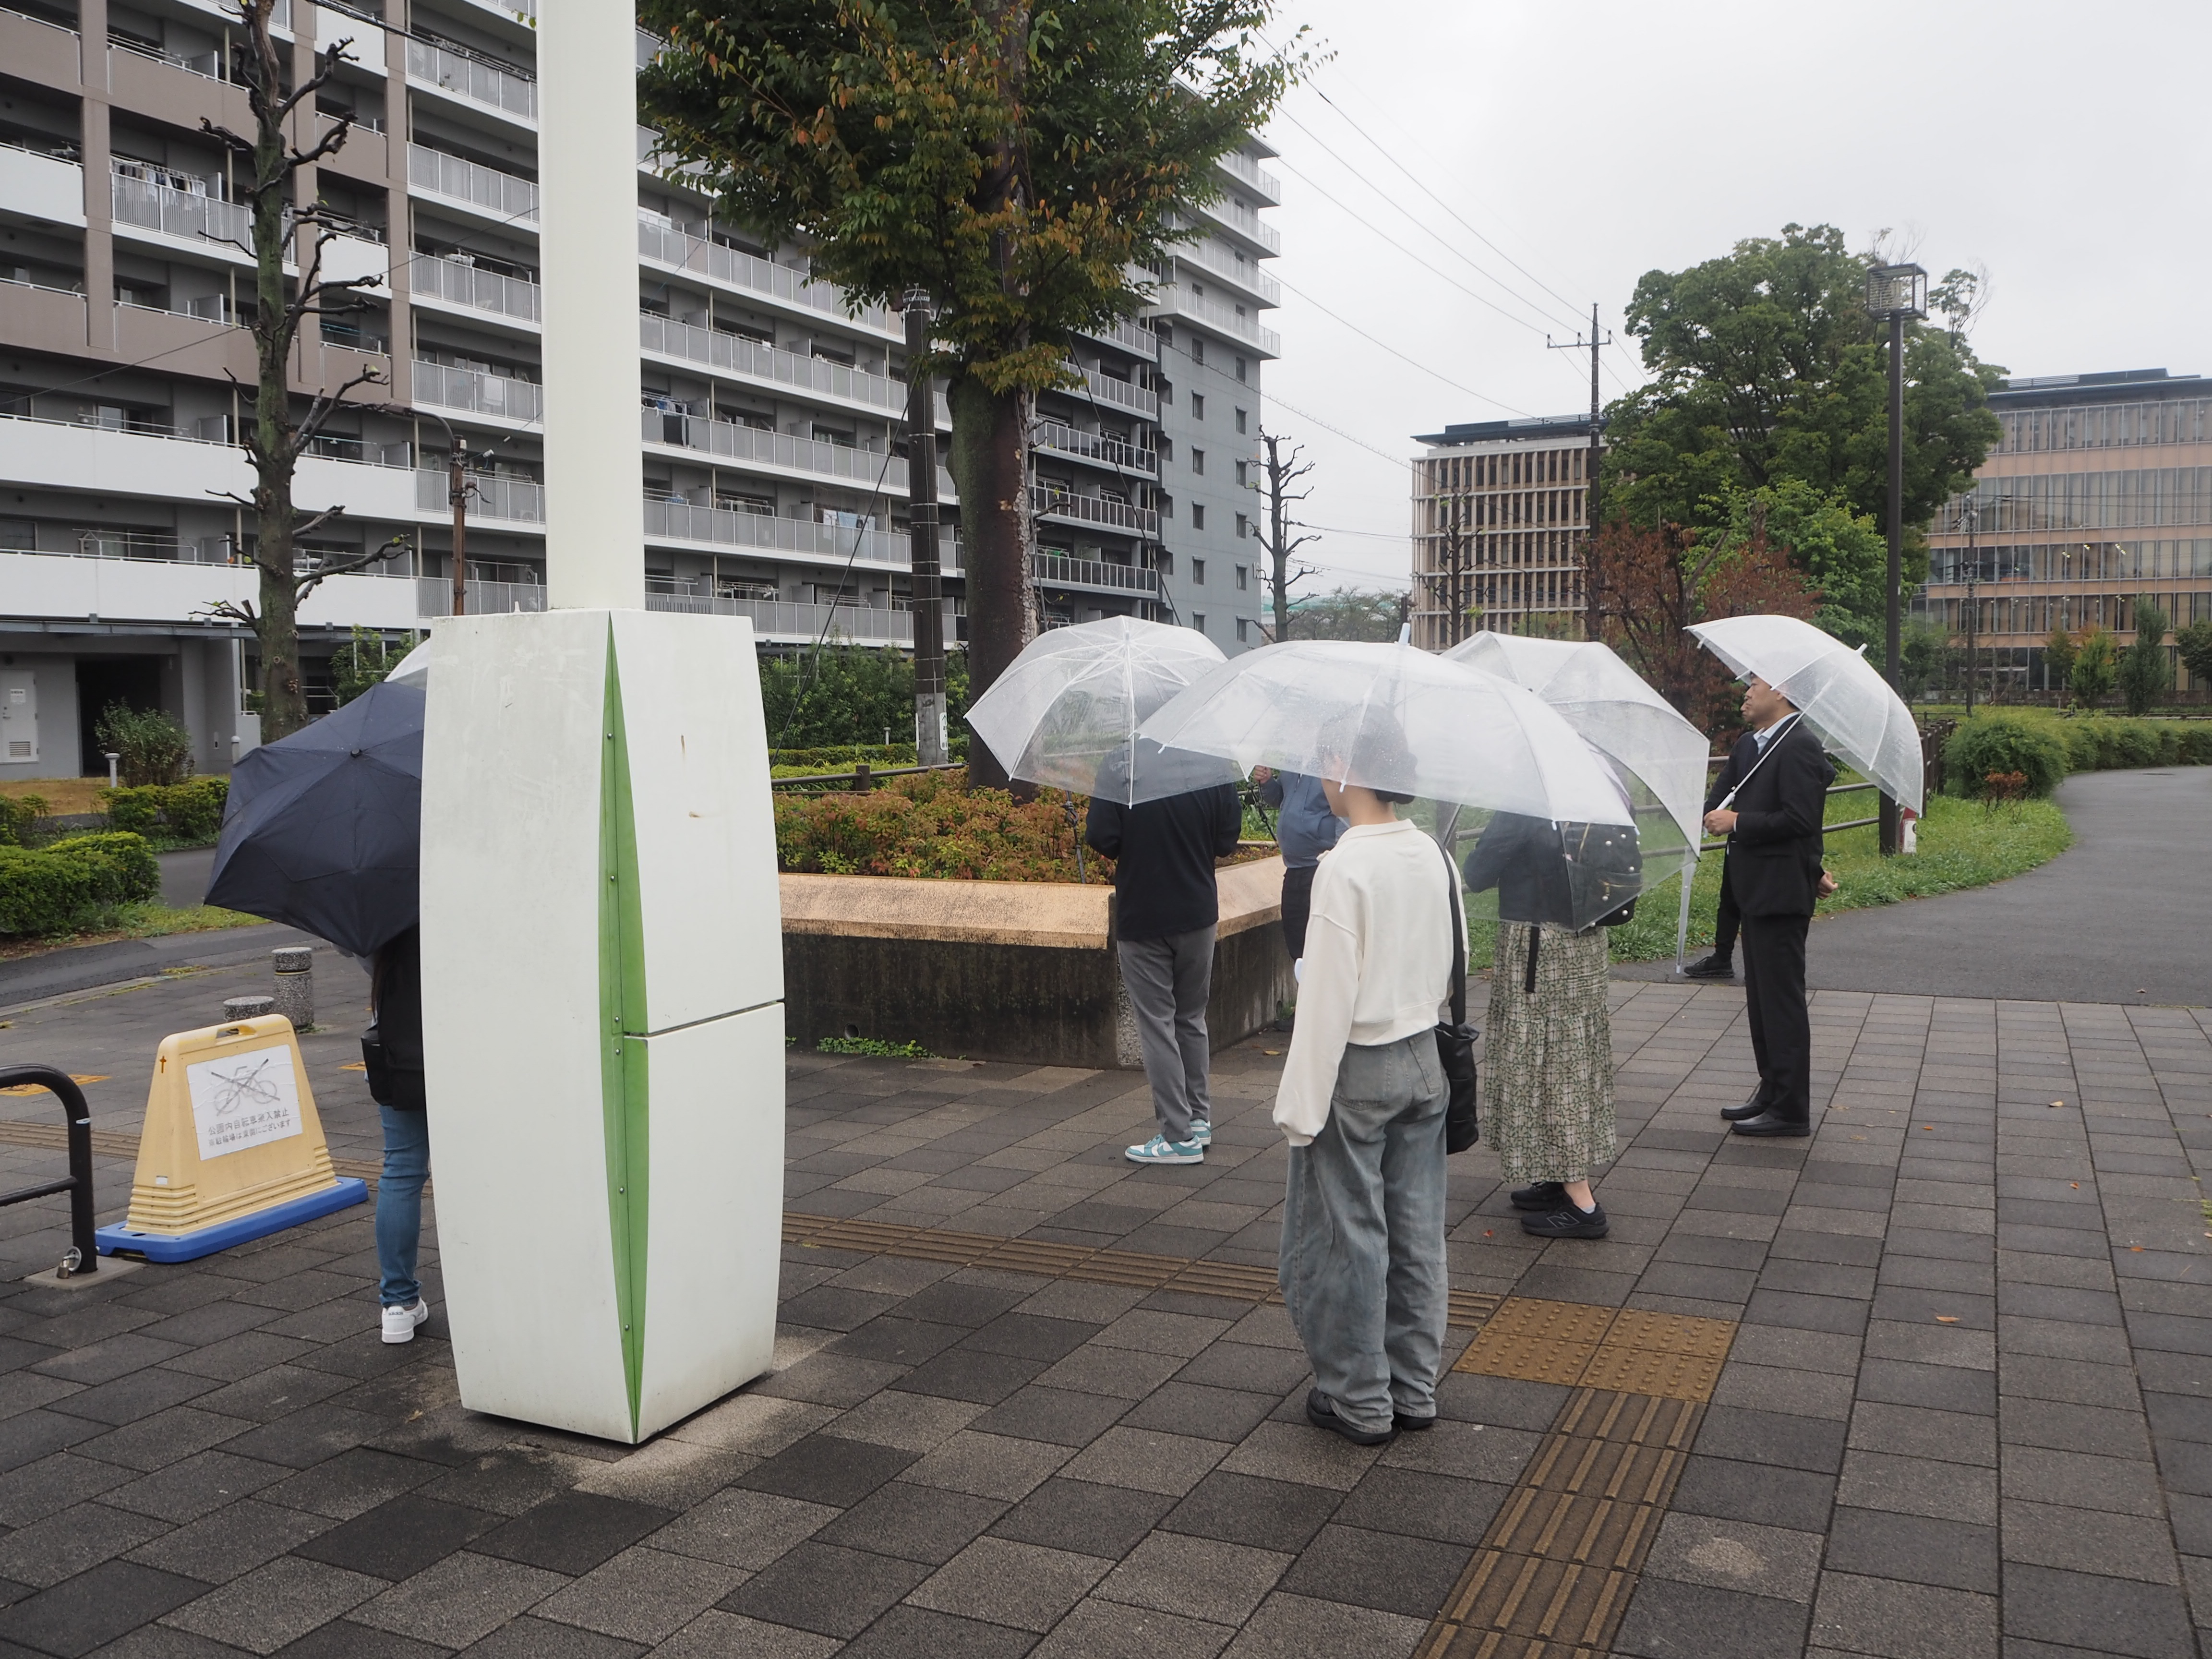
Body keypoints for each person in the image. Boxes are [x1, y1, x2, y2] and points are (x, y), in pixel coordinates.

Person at [1273, 764, 1455, 1447]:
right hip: (1424, 1057)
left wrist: (1300, 1108)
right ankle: (1414, 1388)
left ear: (1347, 773)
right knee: (1417, 1228)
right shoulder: (1433, 853)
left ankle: (1359, 1399)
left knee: (1348, 1237)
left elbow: (1325, 999)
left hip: (1357, 1063)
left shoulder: (1344, 868)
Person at [1461, 813, 1623, 1240]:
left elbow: (1477, 873)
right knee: (1574, 1059)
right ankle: (1557, 1178)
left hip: (1539, 950)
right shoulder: (1592, 797)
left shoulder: (1526, 803)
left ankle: (1582, 1202)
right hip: (1584, 946)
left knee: (1552, 1070)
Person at [1086, 763, 1244, 1166]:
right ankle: (1199, 1118)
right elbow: (1227, 840)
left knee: (1157, 1023)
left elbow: (1102, 837)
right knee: (1191, 1017)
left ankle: (1177, 1135)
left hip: (1144, 914)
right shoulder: (1212, 765)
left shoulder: (1123, 765)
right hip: (1198, 910)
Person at [1703, 675, 1838, 1138]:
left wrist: (1739, 821)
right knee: (1760, 1001)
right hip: (1753, 889)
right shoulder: (1748, 746)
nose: (1744, 693)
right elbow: (1717, 803)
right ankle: (1770, 1090)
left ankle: (1791, 1109)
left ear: (1780, 693)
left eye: (1754, 686)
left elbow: (1801, 819)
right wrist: (1721, 812)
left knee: (1781, 1003)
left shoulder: (1800, 745)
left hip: (1780, 893)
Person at [363, 926, 432, 1341]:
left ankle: (398, 1303)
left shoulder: (379, 903)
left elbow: (358, 952)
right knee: (482, 1164)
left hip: (399, 1048)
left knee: (403, 1168)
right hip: (472, 1041)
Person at [1252, 765, 1344, 963]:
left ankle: (1320, 989)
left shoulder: (1332, 765)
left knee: (1320, 944)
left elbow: (1344, 813)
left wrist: (1337, 855)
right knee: (1296, 941)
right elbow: (1280, 800)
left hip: (1320, 867)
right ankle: (1305, 988)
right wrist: (1268, 782)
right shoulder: (1294, 761)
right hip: (1293, 869)